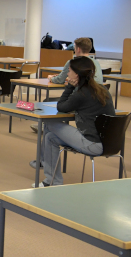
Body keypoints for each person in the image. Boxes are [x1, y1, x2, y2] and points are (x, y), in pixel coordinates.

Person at [34, 56, 114, 187]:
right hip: (109, 142)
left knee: (49, 123)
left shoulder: (81, 94)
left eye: (69, 71)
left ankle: (47, 171)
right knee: (50, 137)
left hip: (93, 143)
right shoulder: (102, 89)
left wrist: (69, 87)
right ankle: (52, 180)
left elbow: (61, 106)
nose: (67, 73)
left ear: (76, 74)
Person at [30, 37, 103, 134]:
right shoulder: (96, 63)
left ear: (78, 49)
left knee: (48, 101)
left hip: (80, 99)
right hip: (96, 99)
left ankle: (48, 126)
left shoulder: (73, 63)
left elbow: (60, 79)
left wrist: (51, 77)